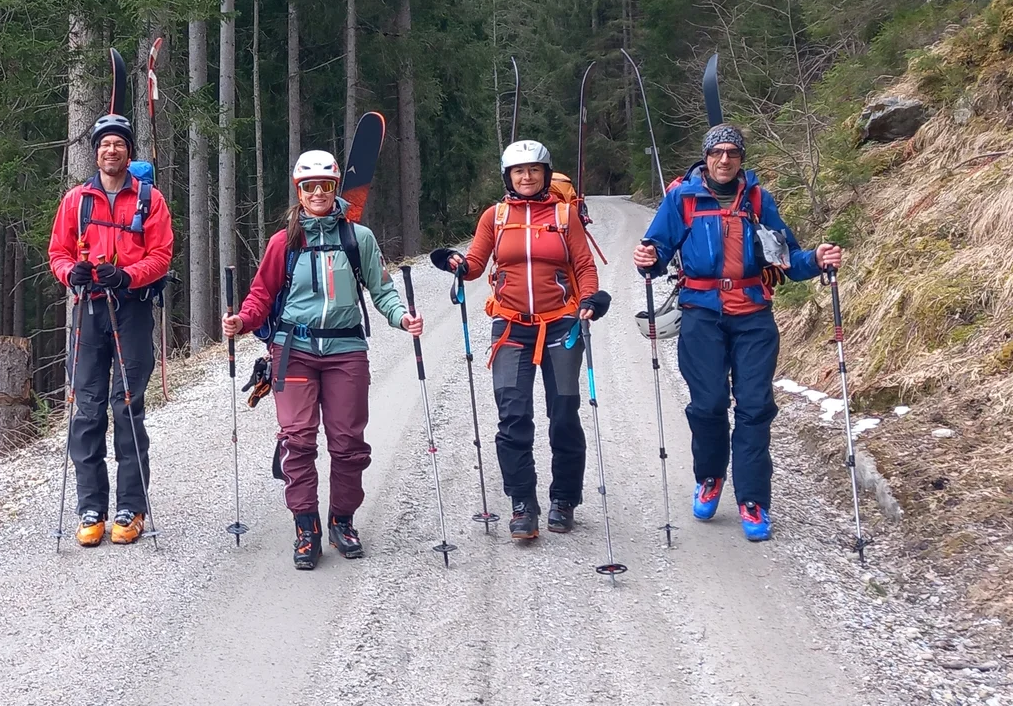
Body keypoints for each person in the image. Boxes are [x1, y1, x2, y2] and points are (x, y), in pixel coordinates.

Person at [633, 123, 844, 542]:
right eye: (717, 153)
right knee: (708, 404)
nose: (725, 159)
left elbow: (787, 259)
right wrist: (648, 257)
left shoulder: (759, 200)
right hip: (701, 315)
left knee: (753, 406)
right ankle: (710, 477)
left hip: (753, 317)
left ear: (741, 159)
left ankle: (752, 500)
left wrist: (817, 259)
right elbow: (656, 252)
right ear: (706, 158)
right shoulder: (683, 198)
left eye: (732, 153)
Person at [222, 150, 423, 570]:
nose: (317, 193)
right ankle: (305, 526)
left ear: (335, 189)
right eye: (309, 186)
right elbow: (261, 295)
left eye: (324, 186)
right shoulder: (284, 241)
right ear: (299, 192)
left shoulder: (358, 238)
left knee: (348, 444)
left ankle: (342, 520)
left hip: (346, 349)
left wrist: (401, 317)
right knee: (297, 440)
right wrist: (242, 320)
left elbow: (381, 290)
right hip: (292, 350)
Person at [444, 140, 609, 542]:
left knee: (565, 417)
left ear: (546, 174)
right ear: (508, 177)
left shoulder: (565, 215)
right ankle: (522, 504)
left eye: (535, 170)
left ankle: (564, 499)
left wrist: (590, 298)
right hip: (510, 328)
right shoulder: (495, 217)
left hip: (560, 326)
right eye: (519, 171)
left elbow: (584, 266)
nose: (527, 176)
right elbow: (476, 265)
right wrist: (457, 264)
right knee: (513, 418)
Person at [47, 111, 176, 546]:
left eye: (119, 143)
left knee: (126, 407)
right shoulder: (76, 201)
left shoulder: (149, 200)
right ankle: (90, 507)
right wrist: (72, 274)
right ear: (96, 151)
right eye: (104, 143)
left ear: (128, 150)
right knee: (86, 410)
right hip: (88, 311)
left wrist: (129, 276)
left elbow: (161, 255)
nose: (111, 149)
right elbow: (58, 253)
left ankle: (131, 506)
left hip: (132, 310)